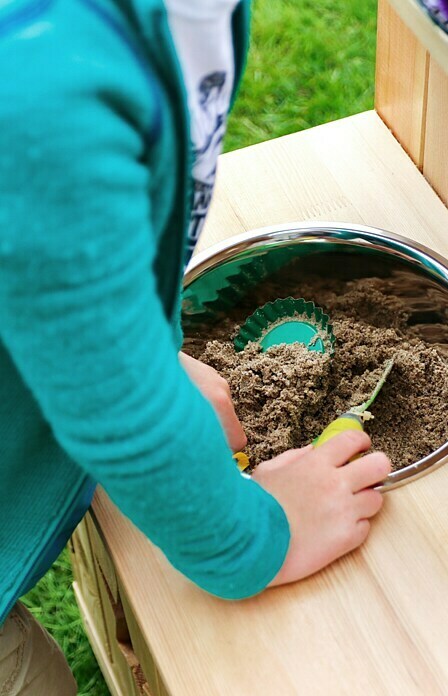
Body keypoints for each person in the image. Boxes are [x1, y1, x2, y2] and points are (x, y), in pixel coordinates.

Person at [0, 0, 391, 692]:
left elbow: (46, 253)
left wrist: (136, 350)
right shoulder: (42, 95)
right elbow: (120, 417)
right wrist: (256, 538)